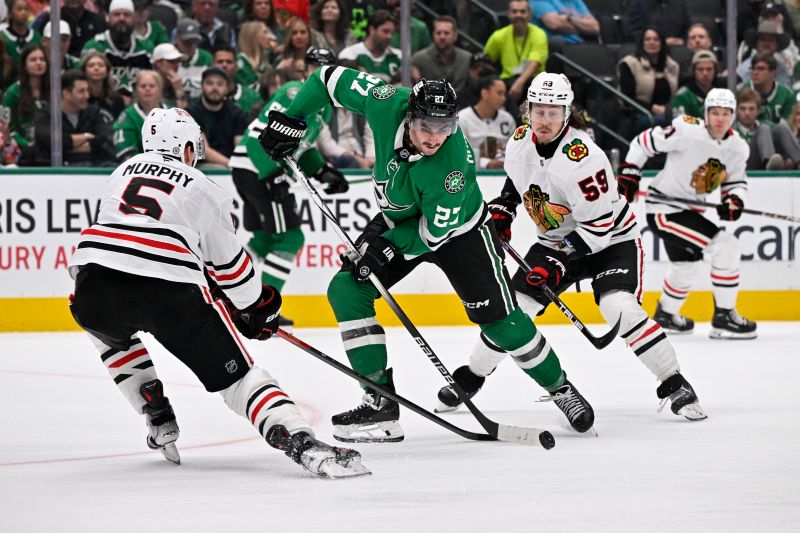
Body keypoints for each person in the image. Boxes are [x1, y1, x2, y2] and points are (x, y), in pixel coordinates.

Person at [260, 68, 596, 441]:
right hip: (399, 217)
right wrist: (293, 118)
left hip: (460, 233)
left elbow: (432, 234)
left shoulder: (452, 166)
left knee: (502, 322)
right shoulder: (386, 101)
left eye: (444, 127)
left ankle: (561, 388)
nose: (435, 137)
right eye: (425, 126)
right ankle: (380, 405)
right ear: (409, 115)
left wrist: (386, 245)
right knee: (347, 290)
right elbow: (325, 79)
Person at [67, 107, 368, 478]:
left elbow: (133, 240)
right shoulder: (203, 187)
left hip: (92, 286)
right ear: (189, 148)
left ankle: (154, 409)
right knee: (240, 379)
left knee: (108, 335)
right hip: (168, 295)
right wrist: (257, 307)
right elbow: (232, 272)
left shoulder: (120, 171)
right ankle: (298, 437)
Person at [442, 72, 707, 421]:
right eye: (538, 111)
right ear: (527, 110)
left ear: (567, 112)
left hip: (611, 241)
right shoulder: (521, 139)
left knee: (618, 307)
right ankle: (473, 375)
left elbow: (598, 228)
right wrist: (505, 208)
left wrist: (555, 266)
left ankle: (674, 381)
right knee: (512, 310)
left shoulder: (584, 159)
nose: (544, 120)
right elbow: (518, 177)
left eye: (553, 112)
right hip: (556, 241)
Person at [618, 88, 757, 340]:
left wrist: (734, 200)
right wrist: (630, 172)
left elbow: (735, 182)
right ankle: (724, 316)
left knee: (686, 264)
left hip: (688, 211)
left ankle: (667, 314)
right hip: (665, 210)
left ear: (733, 116)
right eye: (715, 112)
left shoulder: (738, 148)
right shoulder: (686, 130)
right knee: (726, 246)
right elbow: (643, 142)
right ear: (706, 114)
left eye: (726, 113)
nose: (720, 118)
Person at [228, 47, 349, 328]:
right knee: (291, 238)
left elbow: (303, 149)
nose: (319, 73)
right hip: (257, 168)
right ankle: (264, 304)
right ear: (305, 70)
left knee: (265, 239)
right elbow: (265, 132)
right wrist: (272, 175)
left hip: (253, 170)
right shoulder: (295, 92)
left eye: (326, 67)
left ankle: (224, 285)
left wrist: (323, 172)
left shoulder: (323, 110)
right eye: (314, 67)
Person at [29, 69, 116, 166]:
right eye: (81, 91)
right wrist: (86, 136)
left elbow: (102, 139)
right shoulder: (46, 115)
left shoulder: (93, 111)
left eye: (87, 90)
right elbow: (53, 142)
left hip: (91, 166)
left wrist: (65, 147)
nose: (87, 95)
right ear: (66, 94)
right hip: (55, 169)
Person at [483, 0, 548, 116]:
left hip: (533, 82)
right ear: (508, 14)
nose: (518, 15)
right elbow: (485, 60)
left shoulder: (539, 34)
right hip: (508, 82)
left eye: (522, 12)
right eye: (514, 12)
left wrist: (519, 83)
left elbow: (535, 62)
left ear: (529, 14)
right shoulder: (499, 36)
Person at [81, 0, 154, 96]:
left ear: (134, 18)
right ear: (108, 17)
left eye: (127, 14)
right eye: (116, 14)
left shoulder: (146, 47)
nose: (122, 18)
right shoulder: (95, 45)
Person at [617, 26, 679, 134]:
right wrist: (652, 108)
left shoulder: (672, 65)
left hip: (667, 113)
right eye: (648, 39)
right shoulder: (630, 64)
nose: (652, 42)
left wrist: (667, 109)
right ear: (642, 42)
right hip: (638, 114)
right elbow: (626, 98)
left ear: (662, 43)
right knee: (665, 123)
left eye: (656, 39)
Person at [187, 67, 247, 168]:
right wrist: (233, 165)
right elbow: (203, 150)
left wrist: (240, 165)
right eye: (210, 83)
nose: (214, 88)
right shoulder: (191, 113)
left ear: (227, 88)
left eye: (220, 84)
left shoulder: (236, 112)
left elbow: (240, 145)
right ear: (202, 86)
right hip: (203, 165)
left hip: (232, 162)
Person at [457, 75, 515, 169]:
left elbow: (514, 152)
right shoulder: (463, 118)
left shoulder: (507, 119)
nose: (504, 98)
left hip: (504, 170)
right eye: (499, 93)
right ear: (485, 93)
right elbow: (459, 154)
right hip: (472, 172)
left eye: (504, 94)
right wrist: (485, 163)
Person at [734, 86, 799, 170]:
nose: (747, 113)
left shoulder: (768, 127)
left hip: (767, 162)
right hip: (744, 166)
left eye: (751, 109)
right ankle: (769, 162)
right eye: (743, 109)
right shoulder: (732, 130)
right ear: (737, 110)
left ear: (758, 111)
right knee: (764, 128)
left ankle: (796, 162)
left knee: (780, 127)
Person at [3, 43, 49, 152]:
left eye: (42, 59)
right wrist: (28, 145)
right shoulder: (13, 92)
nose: (39, 63)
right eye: (33, 60)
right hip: (24, 149)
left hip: (51, 145)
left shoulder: (55, 89)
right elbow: (10, 129)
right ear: (24, 65)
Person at [113, 69, 166, 160]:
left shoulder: (173, 113)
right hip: (138, 169)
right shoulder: (128, 116)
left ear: (160, 89)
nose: (147, 89)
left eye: (152, 86)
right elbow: (125, 151)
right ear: (136, 90)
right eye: (143, 86)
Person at [338, 9, 401, 84]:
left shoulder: (399, 56)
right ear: (372, 30)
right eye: (385, 31)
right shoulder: (349, 55)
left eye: (391, 32)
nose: (389, 36)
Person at [411, 15, 471, 92]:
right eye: (438, 33)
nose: (442, 37)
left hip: (459, 102)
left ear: (455, 36)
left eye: (446, 33)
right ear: (433, 35)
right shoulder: (418, 59)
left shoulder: (467, 59)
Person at [671, 50, 722, 119]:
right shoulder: (683, 96)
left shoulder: (723, 93)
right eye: (700, 69)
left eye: (709, 69)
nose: (705, 73)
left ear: (715, 71)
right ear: (693, 71)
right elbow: (681, 124)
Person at [213, 45, 262, 114]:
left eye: (229, 62)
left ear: (236, 66)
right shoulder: (203, 98)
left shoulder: (252, 97)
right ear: (212, 65)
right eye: (220, 62)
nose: (224, 65)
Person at [82, 51, 126, 123]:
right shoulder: (79, 98)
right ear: (84, 71)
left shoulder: (117, 99)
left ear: (107, 71)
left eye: (101, 65)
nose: (96, 68)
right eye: (91, 65)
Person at [174, 18, 213, 100]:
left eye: (193, 42)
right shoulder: (169, 58)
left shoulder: (206, 58)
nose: (190, 46)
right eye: (186, 42)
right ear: (177, 39)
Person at [531, 0, 599, 45]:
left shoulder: (576, 1)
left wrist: (569, 18)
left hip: (581, 44)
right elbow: (555, 24)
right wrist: (583, 27)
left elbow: (595, 27)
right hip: (558, 48)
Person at [1, 0, 41, 67]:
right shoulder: (2, 37)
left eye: (26, 9)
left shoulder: (36, 36)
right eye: (19, 9)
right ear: (10, 13)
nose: (23, 13)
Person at [236, 21, 273, 90]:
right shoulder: (241, 62)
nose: (269, 37)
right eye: (265, 32)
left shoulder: (264, 62)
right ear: (253, 36)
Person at [152, 43, 188, 108]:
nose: (176, 65)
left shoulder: (177, 84)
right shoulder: (147, 83)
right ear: (158, 63)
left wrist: (179, 91)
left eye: (178, 61)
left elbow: (183, 115)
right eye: (171, 61)